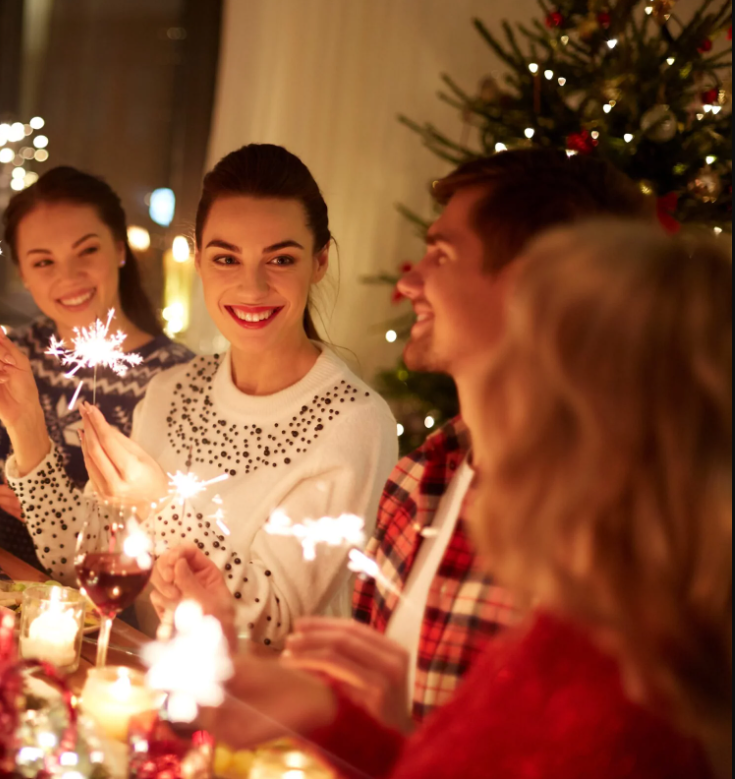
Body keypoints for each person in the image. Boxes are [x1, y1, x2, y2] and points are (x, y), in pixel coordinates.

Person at [202, 225, 729, 779]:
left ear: (600, 424)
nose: (487, 398)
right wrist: (328, 714)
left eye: (515, 362)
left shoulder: (605, 696)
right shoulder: (580, 626)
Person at [225, 149, 651, 727]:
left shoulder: (610, 535)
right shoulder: (420, 479)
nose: (410, 280)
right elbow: (379, 733)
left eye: (442, 256)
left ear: (533, 286)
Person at [0, 144, 398, 646]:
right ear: (199, 259)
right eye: (226, 258)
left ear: (321, 260)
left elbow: (273, 629)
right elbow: (80, 560)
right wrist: (26, 426)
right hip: (148, 684)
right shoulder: (175, 387)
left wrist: (158, 505)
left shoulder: (353, 420)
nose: (252, 285)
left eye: (280, 258)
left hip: (254, 711)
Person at [0, 166, 193, 569]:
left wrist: (54, 512)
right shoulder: (16, 353)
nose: (69, 276)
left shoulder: (177, 380)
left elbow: (176, 536)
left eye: (88, 250)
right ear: (23, 274)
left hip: (100, 614)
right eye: (43, 262)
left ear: (119, 249)